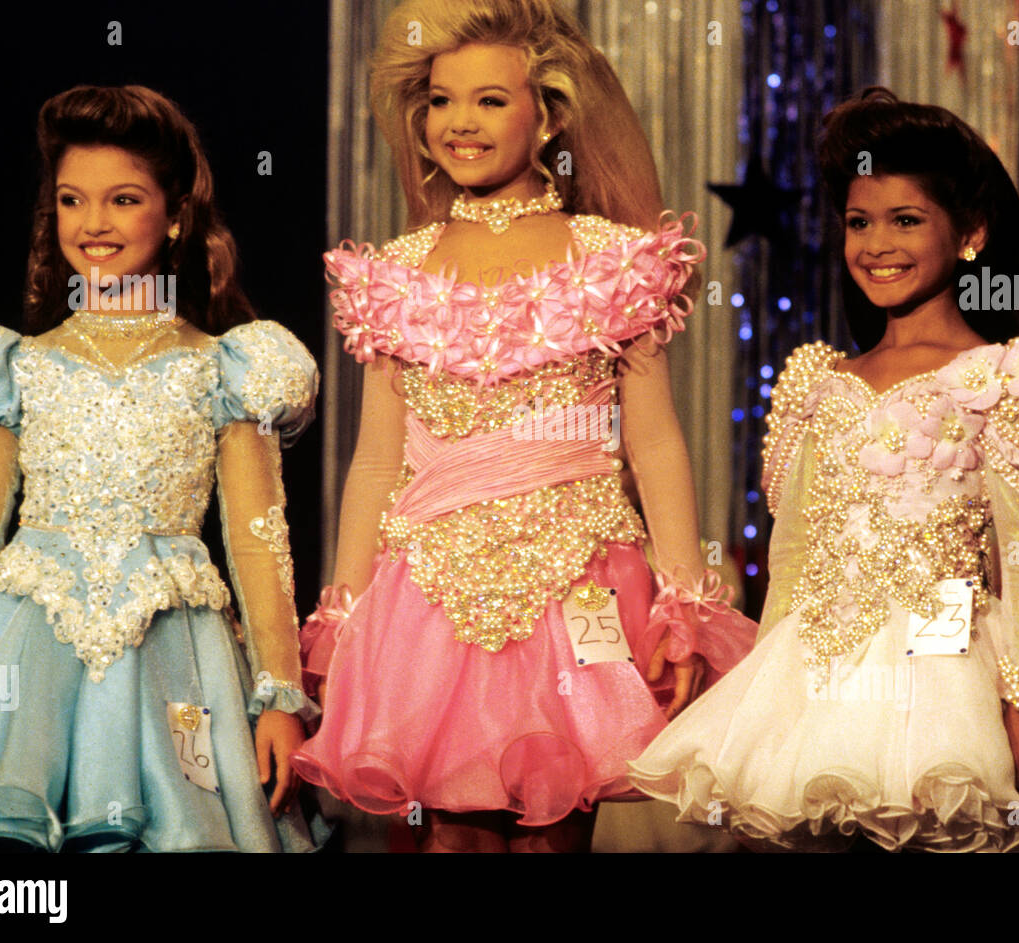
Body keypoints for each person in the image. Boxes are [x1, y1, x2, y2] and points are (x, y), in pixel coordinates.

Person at [628, 88, 1019, 852]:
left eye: (906, 220)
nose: (878, 243)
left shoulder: (1013, 378)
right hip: (823, 671)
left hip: (949, 669)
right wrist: (758, 700)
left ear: (969, 232)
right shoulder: (817, 381)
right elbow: (795, 557)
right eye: (859, 222)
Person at [291, 0, 755, 853]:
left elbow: (654, 443)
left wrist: (683, 606)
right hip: (428, 591)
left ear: (546, 116)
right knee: (445, 839)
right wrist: (342, 612)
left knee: (554, 834)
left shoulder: (611, 257)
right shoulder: (393, 271)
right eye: (440, 99)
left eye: (490, 101)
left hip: (578, 580)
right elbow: (374, 459)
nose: (459, 122)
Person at [0, 85, 320, 852]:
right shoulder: (12, 367)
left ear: (173, 215)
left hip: (174, 656)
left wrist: (279, 694)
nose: (93, 224)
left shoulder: (226, 366)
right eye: (72, 200)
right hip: (25, 651)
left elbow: (260, 536)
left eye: (122, 199)